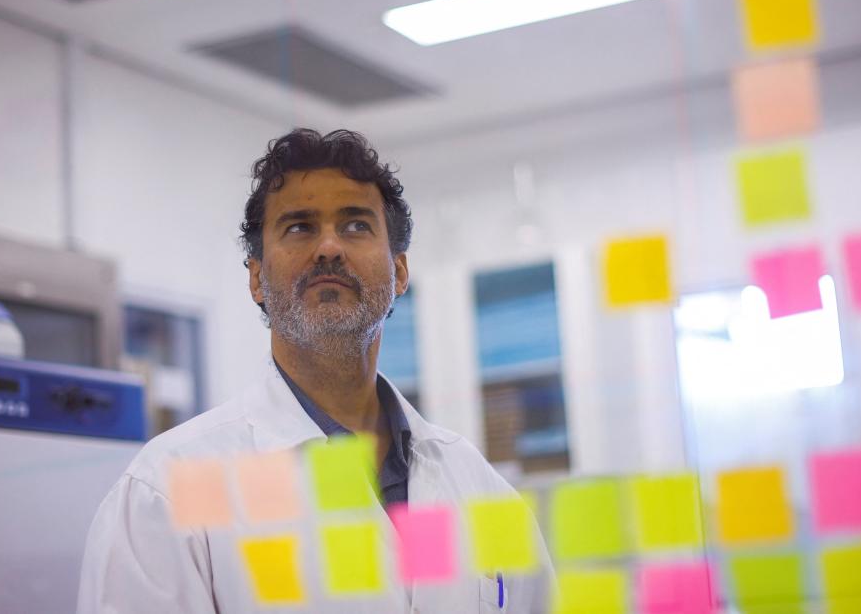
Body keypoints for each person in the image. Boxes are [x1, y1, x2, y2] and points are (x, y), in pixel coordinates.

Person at [77, 128, 554, 612]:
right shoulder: (168, 491)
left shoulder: (475, 484)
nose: (329, 247)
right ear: (257, 277)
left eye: (355, 226)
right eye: (300, 227)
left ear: (400, 272)